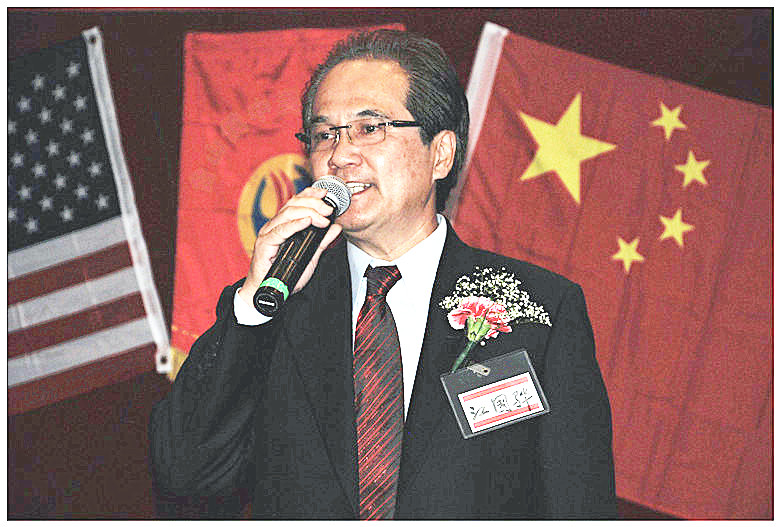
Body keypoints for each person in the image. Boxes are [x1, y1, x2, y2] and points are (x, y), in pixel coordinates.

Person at [150, 29, 617, 519]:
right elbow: (184, 479)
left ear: (440, 153)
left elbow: (580, 505)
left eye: (369, 128)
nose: (339, 155)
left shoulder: (538, 312)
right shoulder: (274, 308)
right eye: (324, 134)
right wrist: (251, 309)